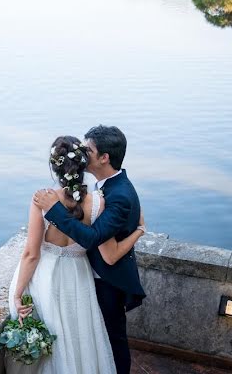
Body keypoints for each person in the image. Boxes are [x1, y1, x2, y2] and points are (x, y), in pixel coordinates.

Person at [33, 125, 146, 374]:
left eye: (88, 149)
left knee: (113, 341)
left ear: (104, 157)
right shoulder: (108, 187)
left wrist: (54, 210)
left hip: (109, 280)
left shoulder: (119, 195)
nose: (82, 153)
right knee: (97, 341)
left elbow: (91, 238)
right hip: (93, 274)